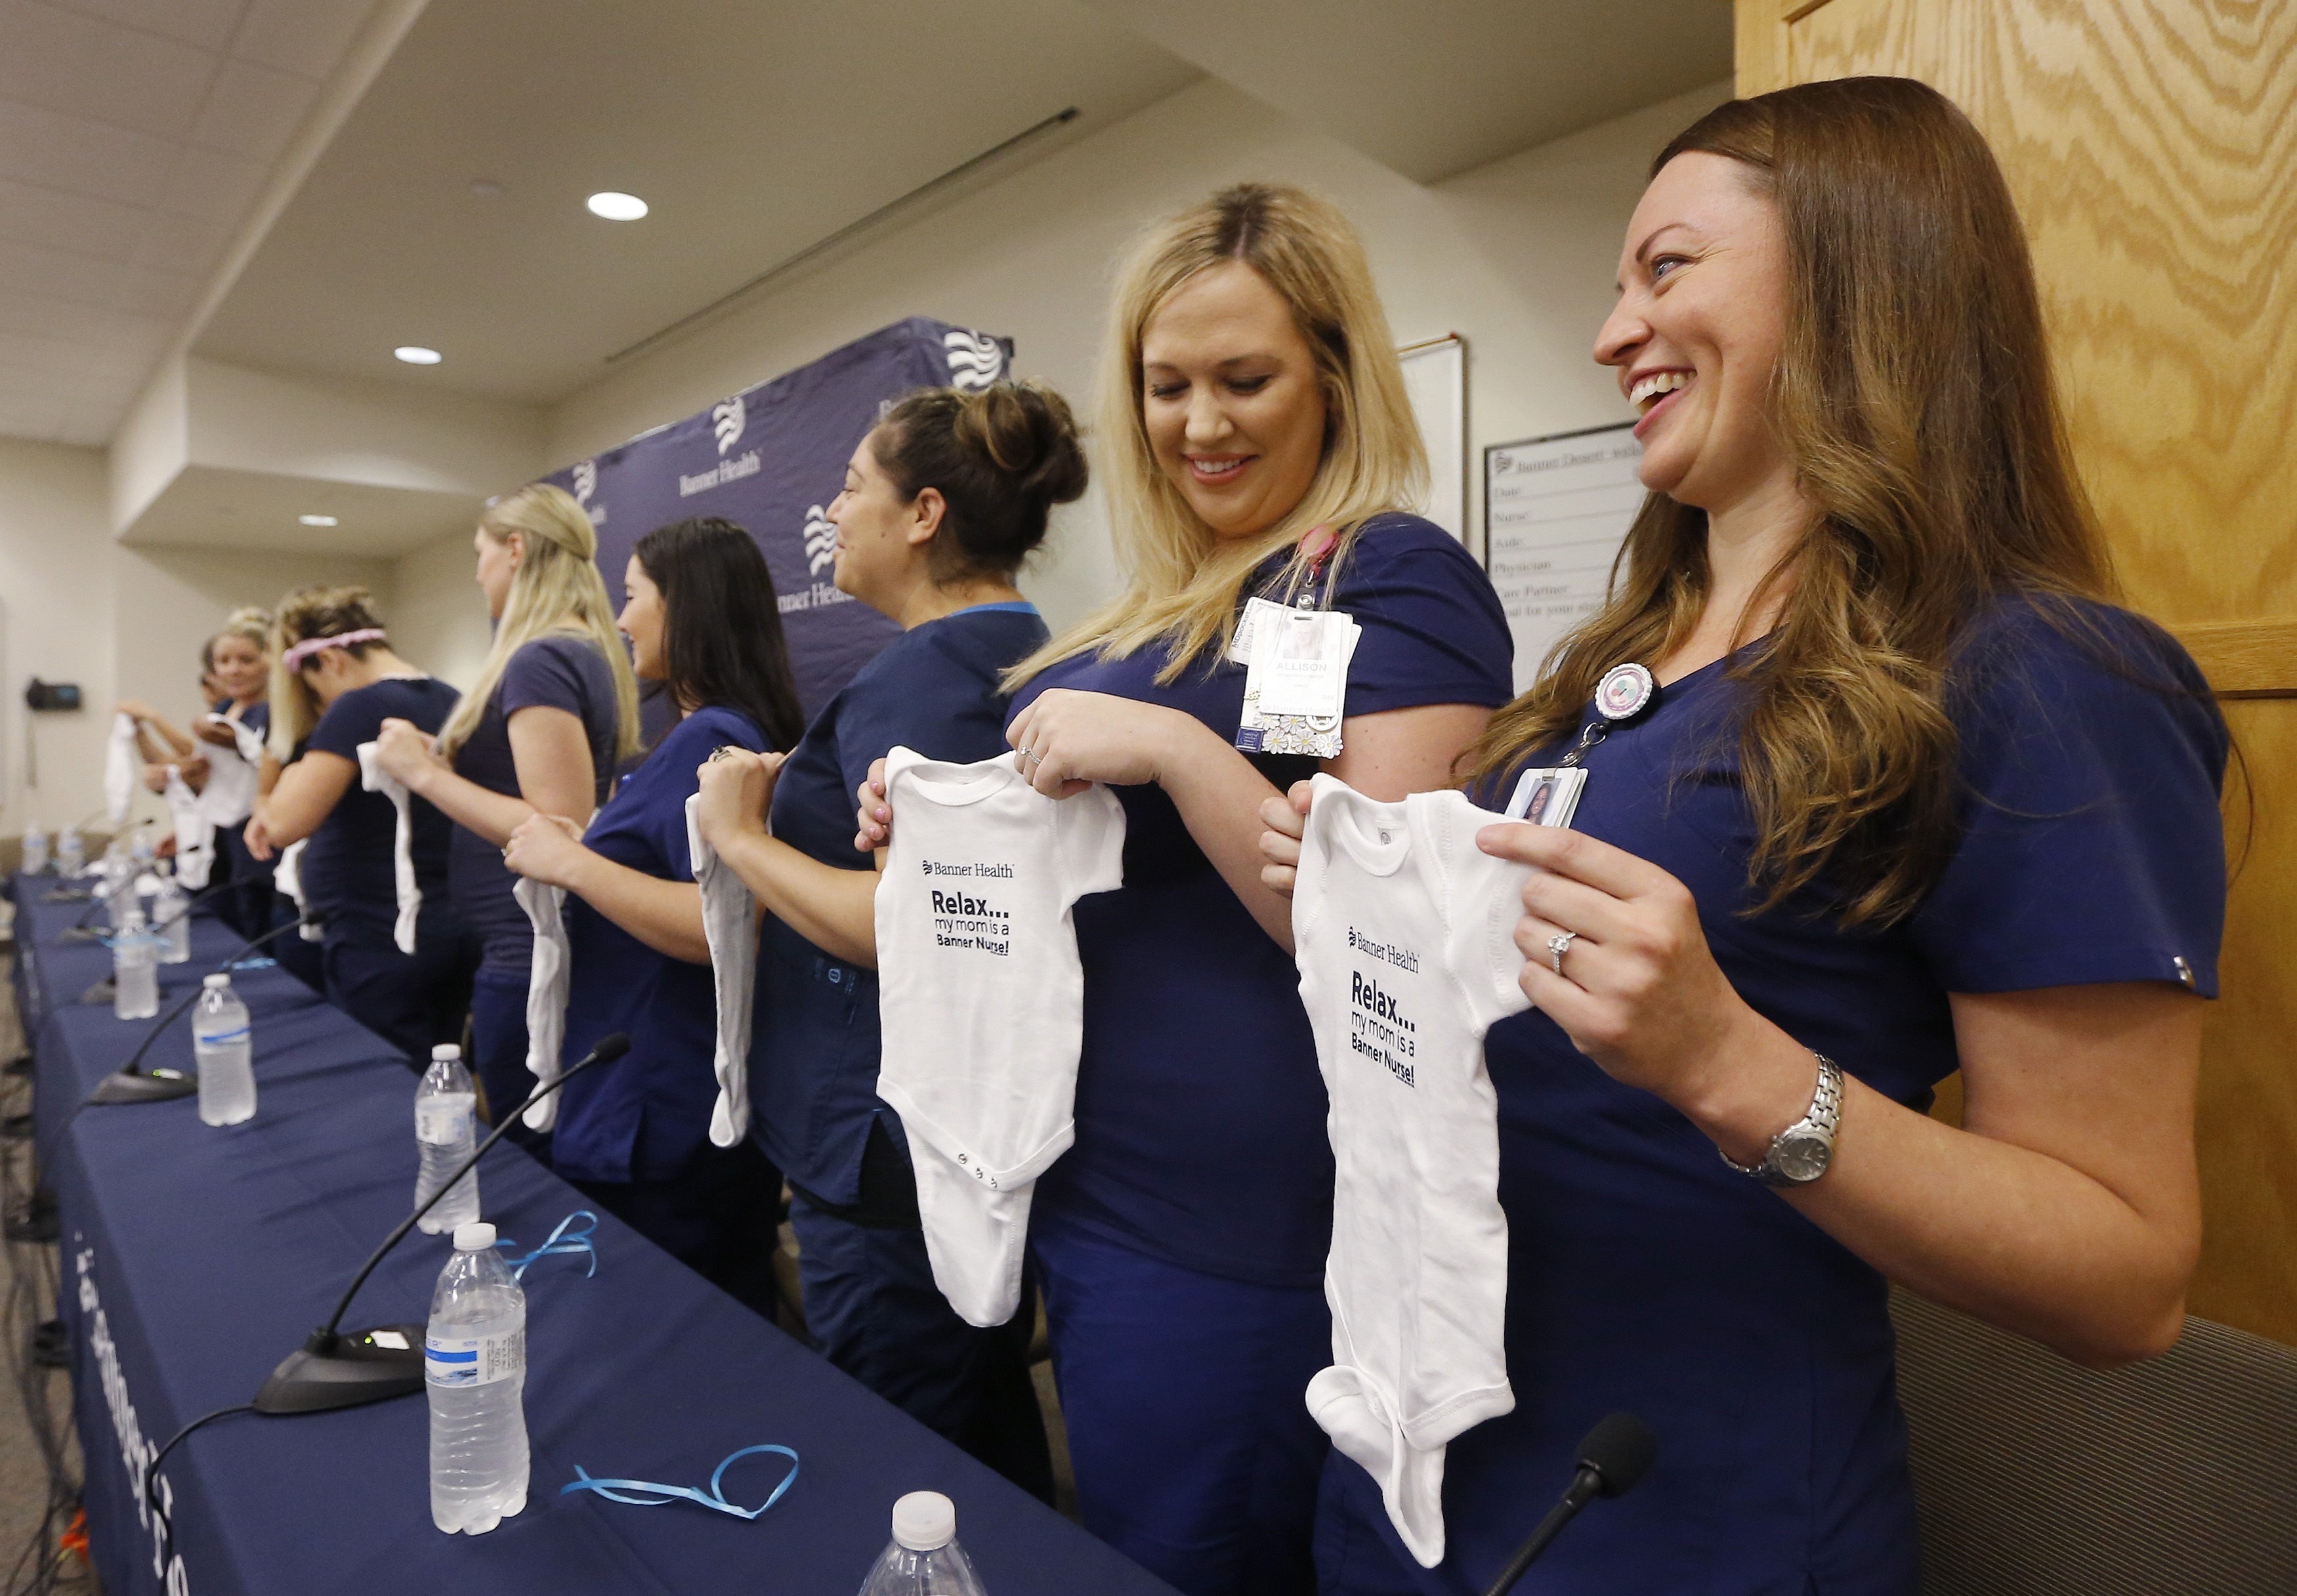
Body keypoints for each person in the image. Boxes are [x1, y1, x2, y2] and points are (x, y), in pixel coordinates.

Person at [1259, 79, 2224, 1595]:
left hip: (1670, 1520)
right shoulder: (1610, 670)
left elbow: (2126, 1278)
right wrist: (1363, 892)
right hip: (1416, 1461)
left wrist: (1730, 1061)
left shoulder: (2037, 674)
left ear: (1859, 269)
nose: (1610, 333)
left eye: (1666, 269)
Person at [857, 184, 1514, 1595]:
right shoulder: (1157, 605)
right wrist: (947, 827)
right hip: (1101, 1194)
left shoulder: (1389, 578)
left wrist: (1167, 745)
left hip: (1256, 1234)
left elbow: (1390, 941)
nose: (1200, 423)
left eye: (1244, 379)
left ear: (1334, 380)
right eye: (1167, 387)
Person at [693, 379, 1087, 1497]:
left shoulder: (929, 674)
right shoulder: (1003, 652)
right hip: (924, 1135)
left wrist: (742, 838)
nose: (830, 508)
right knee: (979, 1415)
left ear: (922, 513)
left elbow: (909, 928)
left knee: (900, 1460)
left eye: (852, 485)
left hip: (879, 1147)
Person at [501, 518, 801, 1315]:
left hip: (661, 1112)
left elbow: (720, 928)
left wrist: (572, 862)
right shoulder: (694, 738)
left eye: (632, 596)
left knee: (680, 1334)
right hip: (648, 1095)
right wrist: (586, 851)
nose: (621, 618)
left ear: (687, 606)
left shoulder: (715, 738)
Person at [370, 485, 639, 1154]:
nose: (476, 570)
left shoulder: (541, 655)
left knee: (527, 1156)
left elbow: (557, 822)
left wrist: (424, 774)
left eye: (481, 552)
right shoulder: (576, 649)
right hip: (525, 946)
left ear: (515, 550)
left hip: (527, 954)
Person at [244, 587, 473, 1063]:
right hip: (449, 922)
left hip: (378, 932)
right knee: (441, 1069)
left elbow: (283, 825)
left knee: (386, 1076)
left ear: (329, 659)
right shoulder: (451, 698)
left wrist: (283, 777)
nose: (318, 701)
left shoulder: (359, 707)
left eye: (313, 687)